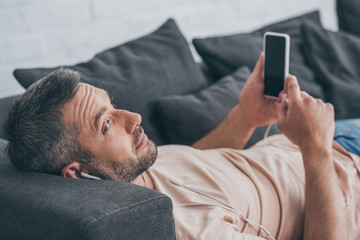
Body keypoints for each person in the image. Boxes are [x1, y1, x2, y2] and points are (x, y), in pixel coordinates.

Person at [4, 53, 360, 240]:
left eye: (112, 104)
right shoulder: (193, 232)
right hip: (346, 170)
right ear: (77, 175)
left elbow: (196, 168)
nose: (134, 116)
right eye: (107, 124)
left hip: (318, 142)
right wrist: (315, 147)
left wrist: (246, 116)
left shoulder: (132, 167)